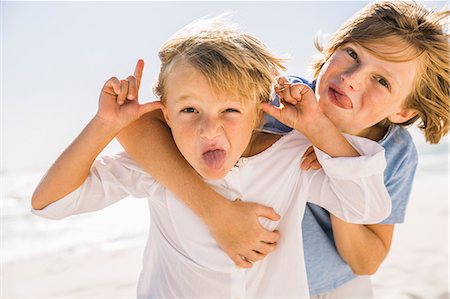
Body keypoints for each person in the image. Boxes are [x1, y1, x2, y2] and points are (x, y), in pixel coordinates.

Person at [31, 19, 392, 297]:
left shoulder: (289, 158)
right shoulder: (158, 166)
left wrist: (317, 128)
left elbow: (366, 207)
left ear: (257, 116)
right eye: (190, 109)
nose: (209, 129)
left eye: (230, 110)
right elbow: (50, 203)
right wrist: (104, 124)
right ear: (166, 114)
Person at [117, 1, 450, 298]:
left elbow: (366, 262)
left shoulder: (394, 151)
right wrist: (215, 212)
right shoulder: (276, 100)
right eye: (352, 54)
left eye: (382, 81)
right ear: (332, 49)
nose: (353, 78)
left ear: (403, 111)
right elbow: (135, 126)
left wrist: (336, 166)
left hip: (339, 288)